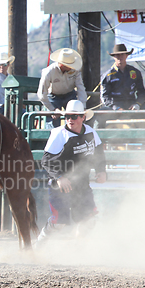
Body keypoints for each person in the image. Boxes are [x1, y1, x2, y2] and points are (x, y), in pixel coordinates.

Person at [37, 100, 107, 243]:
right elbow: (46, 160)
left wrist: (101, 170)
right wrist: (59, 177)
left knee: (88, 220)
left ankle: (76, 248)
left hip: (81, 184)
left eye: (74, 116)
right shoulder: (59, 134)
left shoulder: (91, 133)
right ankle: (40, 244)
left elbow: (98, 154)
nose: (70, 120)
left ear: (83, 118)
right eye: (67, 116)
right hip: (61, 186)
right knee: (59, 223)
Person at [99, 44, 145, 127]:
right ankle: (98, 138)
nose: (120, 57)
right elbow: (105, 96)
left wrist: (137, 104)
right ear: (114, 57)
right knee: (98, 117)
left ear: (127, 56)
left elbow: (142, 92)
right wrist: (115, 107)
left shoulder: (135, 72)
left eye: (122, 54)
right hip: (114, 106)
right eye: (117, 55)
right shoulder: (107, 75)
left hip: (132, 105)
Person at [37, 48, 87, 129]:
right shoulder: (49, 72)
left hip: (70, 95)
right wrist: (52, 109)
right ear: (63, 65)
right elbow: (42, 94)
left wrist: (82, 106)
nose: (72, 67)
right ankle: (50, 136)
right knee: (51, 120)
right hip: (53, 97)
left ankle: (77, 133)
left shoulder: (75, 71)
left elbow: (80, 88)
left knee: (76, 117)